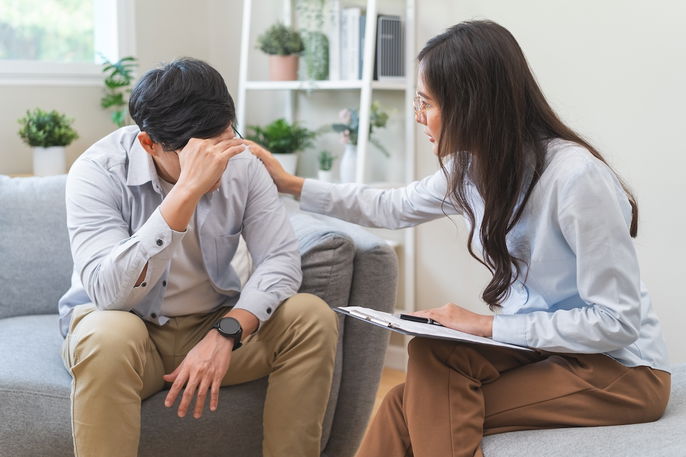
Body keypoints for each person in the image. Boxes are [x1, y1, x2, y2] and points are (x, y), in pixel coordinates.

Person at [248, 20, 671, 457]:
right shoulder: (473, 170)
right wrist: (290, 184)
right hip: (545, 351)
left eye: (426, 102)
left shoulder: (576, 179)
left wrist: (487, 325)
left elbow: (617, 322)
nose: (418, 115)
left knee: (407, 406)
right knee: (422, 369)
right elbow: (391, 206)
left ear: (472, 106)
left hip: (620, 372)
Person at [57, 57, 338, 457]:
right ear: (149, 143)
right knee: (109, 336)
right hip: (126, 327)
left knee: (311, 315)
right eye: (198, 154)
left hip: (211, 323)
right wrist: (185, 192)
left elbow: (279, 260)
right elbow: (106, 294)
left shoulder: (243, 163)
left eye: (224, 141)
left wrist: (227, 332)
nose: (218, 161)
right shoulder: (97, 170)